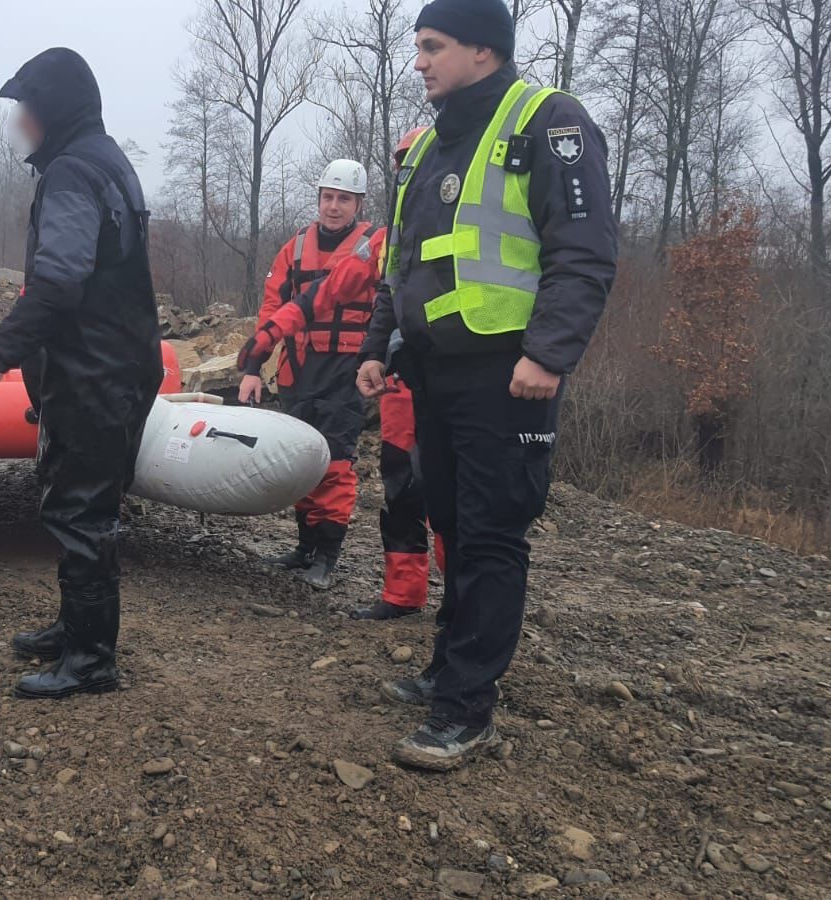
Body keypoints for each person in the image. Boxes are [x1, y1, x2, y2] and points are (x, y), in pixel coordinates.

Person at [356, 0, 617, 770]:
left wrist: (549, 353)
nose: (420, 61)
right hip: (436, 372)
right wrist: (379, 348)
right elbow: (400, 265)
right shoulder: (434, 143)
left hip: (511, 375)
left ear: (482, 50)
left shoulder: (548, 121)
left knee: (494, 532)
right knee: (453, 526)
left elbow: (586, 250)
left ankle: (467, 711)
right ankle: (447, 665)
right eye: (417, 47)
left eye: (432, 46)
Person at [0, 47, 161, 700]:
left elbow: (59, 282)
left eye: (28, 111)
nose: (22, 125)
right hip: (114, 368)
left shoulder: (74, 172)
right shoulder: (106, 160)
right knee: (75, 501)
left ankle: (92, 658)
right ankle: (75, 627)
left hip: (94, 374)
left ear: (55, 111)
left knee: (83, 511)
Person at [236, 160, 383, 591]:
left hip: (346, 369)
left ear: (357, 203)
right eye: (327, 197)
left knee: (336, 462)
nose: (333, 206)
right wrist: (253, 368)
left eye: (343, 199)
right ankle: (303, 548)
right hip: (297, 368)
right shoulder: (294, 248)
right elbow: (270, 308)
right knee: (297, 457)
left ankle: (327, 554)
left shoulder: (373, 244)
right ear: (318, 198)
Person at [357, 127, 446, 621]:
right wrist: (374, 353)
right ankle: (403, 593)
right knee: (399, 484)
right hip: (399, 377)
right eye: (403, 163)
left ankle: (461, 595)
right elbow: (386, 299)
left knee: (450, 490)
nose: (408, 170)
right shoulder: (398, 232)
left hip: (450, 374)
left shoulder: (459, 220)